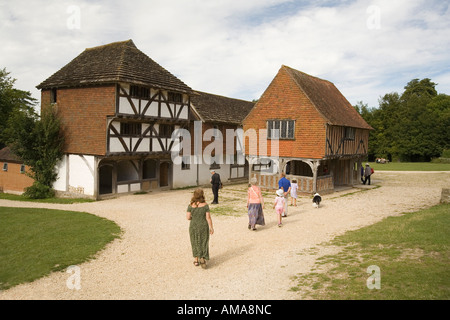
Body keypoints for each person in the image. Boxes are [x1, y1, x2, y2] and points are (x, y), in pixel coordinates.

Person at [186, 188, 214, 269]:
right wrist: (211, 228)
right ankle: (203, 257)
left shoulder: (190, 205)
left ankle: (196, 259)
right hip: (203, 225)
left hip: (193, 226)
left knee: (194, 241)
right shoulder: (205, 205)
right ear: (202, 195)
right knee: (204, 241)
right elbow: (208, 217)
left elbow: (188, 217)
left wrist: (193, 218)